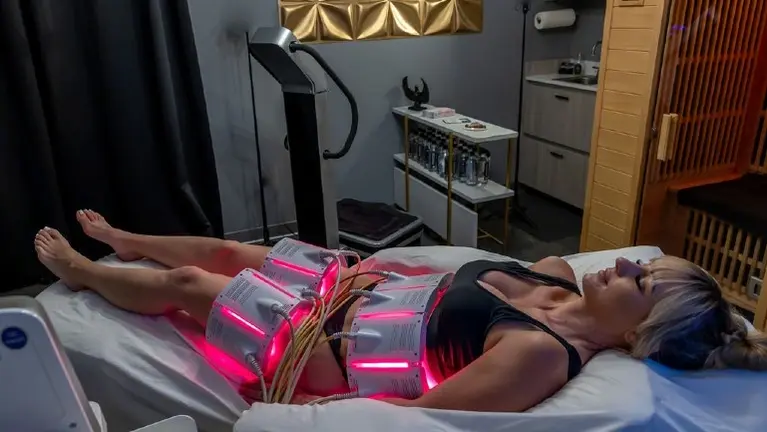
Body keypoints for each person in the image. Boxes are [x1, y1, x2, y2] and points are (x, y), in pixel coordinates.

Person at [34, 210, 767, 412]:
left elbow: (421, 417)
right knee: (231, 250)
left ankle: (83, 273)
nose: (628, 263)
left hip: (327, 351)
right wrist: (374, 270)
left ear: (637, 333)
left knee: (195, 282)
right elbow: (438, 277)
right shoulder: (552, 274)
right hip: (356, 289)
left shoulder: (540, 354)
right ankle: (125, 241)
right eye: (645, 262)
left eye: (641, 282)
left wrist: (307, 406)